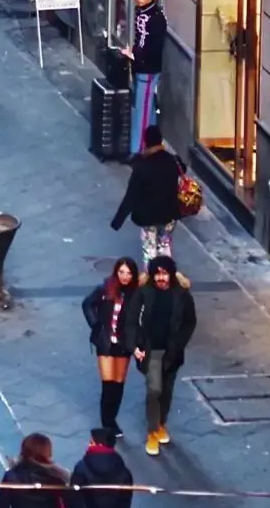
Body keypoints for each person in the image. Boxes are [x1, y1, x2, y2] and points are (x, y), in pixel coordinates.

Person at [130, 255, 196, 454]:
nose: (161, 278)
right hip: (152, 351)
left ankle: (161, 424)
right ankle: (152, 431)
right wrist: (135, 346)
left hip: (172, 352)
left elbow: (189, 323)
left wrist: (179, 345)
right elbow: (132, 320)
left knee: (167, 391)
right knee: (154, 391)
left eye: (164, 274)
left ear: (171, 274)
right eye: (157, 274)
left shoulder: (183, 296)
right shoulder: (143, 293)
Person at [109, 127, 184, 265]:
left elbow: (131, 196)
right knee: (165, 245)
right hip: (169, 213)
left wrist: (118, 221)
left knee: (150, 250)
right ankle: (166, 275)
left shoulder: (141, 166)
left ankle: (151, 279)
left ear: (146, 142)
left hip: (148, 215)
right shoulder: (172, 160)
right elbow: (183, 169)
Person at [82, 257, 139, 439]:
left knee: (118, 384)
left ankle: (112, 419)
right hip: (105, 342)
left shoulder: (136, 294)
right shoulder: (105, 289)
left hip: (123, 344)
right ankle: (107, 423)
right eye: (121, 272)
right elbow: (87, 304)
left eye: (128, 273)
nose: (124, 276)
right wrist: (96, 325)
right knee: (108, 385)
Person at [126, 0, 170, 143]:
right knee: (148, 108)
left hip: (148, 68)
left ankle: (138, 149)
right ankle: (151, 145)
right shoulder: (142, 11)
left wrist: (137, 56)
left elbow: (153, 46)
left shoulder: (156, 18)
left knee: (141, 112)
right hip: (140, 66)